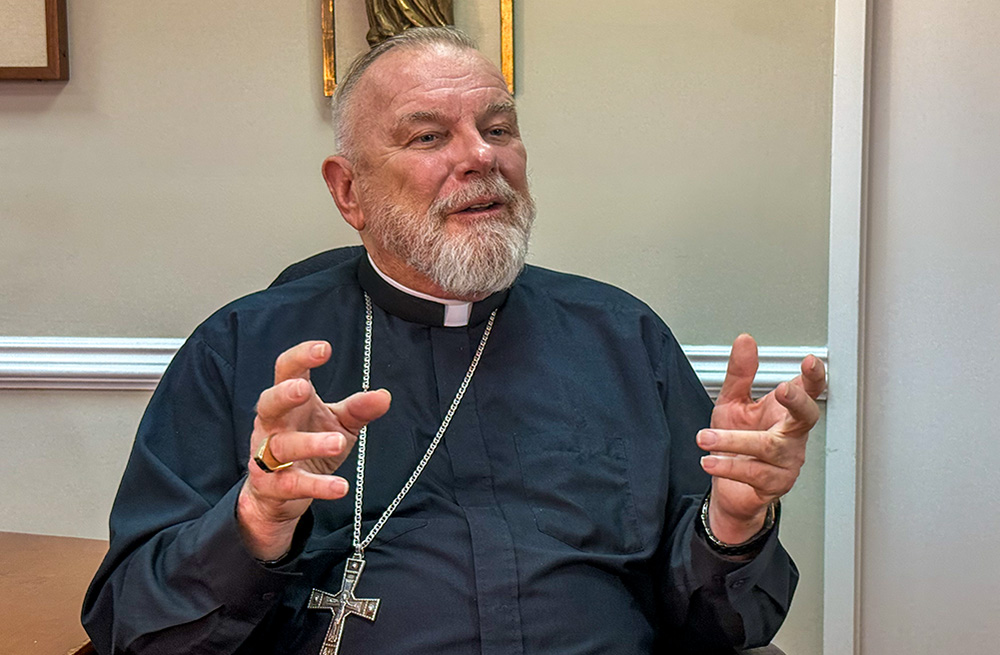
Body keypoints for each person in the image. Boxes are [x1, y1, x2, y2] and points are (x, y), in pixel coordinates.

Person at [83, 27, 825, 655]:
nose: (481, 156)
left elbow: (726, 625)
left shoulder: (623, 337)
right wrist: (257, 520)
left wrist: (732, 521)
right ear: (349, 192)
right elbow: (133, 626)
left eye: (498, 129)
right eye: (429, 135)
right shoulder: (243, 349)